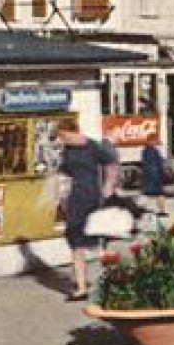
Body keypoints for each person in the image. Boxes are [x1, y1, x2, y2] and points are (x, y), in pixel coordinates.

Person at [56, 118, 119, 301]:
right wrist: (60, 194)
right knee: (76, 242)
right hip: (74, 199)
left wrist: (108, 186)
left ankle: (114, 282)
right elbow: (63, 172)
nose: (61, 140)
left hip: (92, 197)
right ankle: (81, 288)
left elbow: (111, 162)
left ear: (71, 132)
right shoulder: (67, 151)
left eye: (62, 136)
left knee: (97, 243)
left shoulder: (93, 146)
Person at [140, 138, 170, 217]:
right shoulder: (150, 151)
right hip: (154, 176)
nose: (156, 143)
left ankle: (161, 211)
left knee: (152, 194)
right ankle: (161, 211)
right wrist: (162, 173)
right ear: (151, 141)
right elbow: (154, 164)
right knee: (154, 194)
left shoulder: (148, 150)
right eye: (155, 141)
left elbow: (148, 164)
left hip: (152, 176)